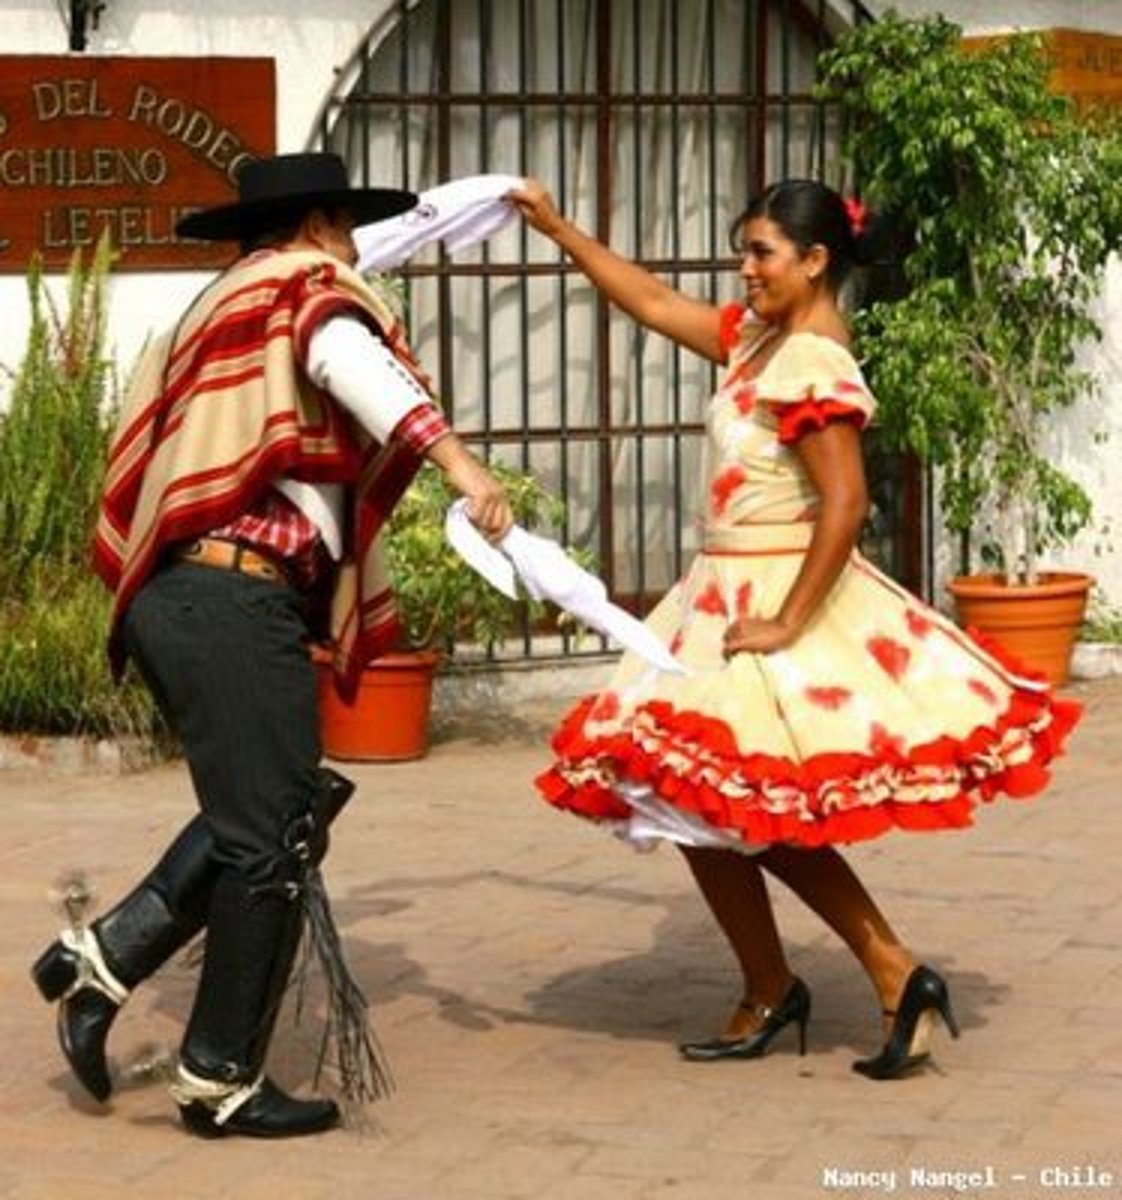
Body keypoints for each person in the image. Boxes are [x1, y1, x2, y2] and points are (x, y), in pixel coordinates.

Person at [509, 178, 1081, 1079]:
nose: (744, 270)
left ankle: (882, 970)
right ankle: (780, 984)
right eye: (744, 252)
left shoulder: (813, 361)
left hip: (776, 595)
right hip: (720, 592)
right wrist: (557, 230)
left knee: (749, 808)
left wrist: (784, 622)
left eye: (761, 253)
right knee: (696, 803)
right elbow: (654, 300)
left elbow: (846, 503)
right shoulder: (756, 342)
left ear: (815, 262)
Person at [31, 152, 513, 1137]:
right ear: (321, 223)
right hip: (230, 593)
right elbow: (354, 364)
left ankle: (102, 966)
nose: (352, 253)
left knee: (275, 809)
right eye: (345, 231)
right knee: (271, 842)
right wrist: (462, 467)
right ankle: (218, 1077)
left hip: (186, 596)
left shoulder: (214, 311)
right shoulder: (305, 294)